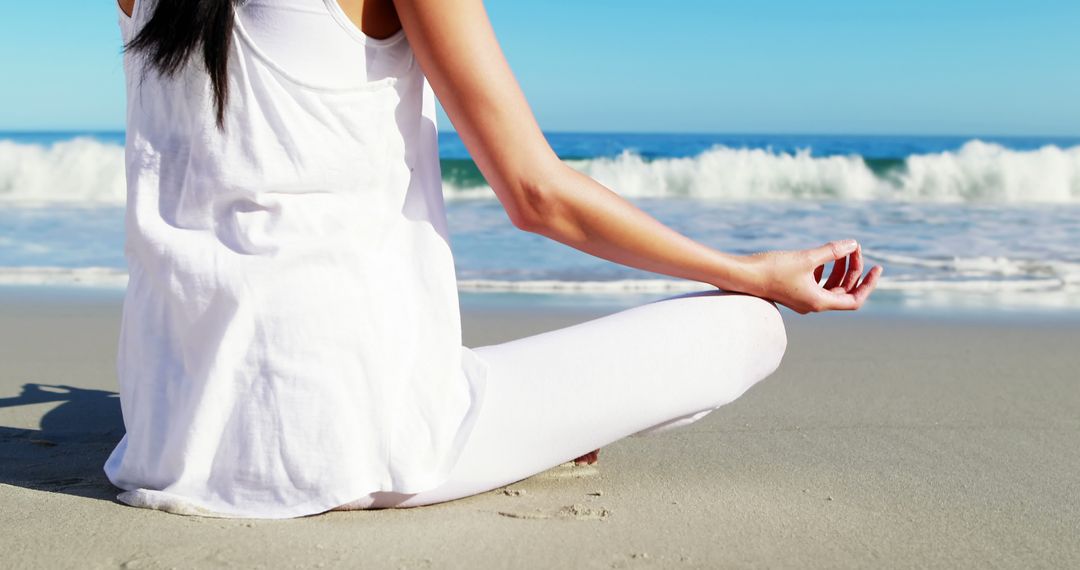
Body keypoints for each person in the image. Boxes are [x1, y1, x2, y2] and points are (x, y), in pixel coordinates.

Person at [106, 0, 882, 519]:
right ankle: (540, 433)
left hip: (169, 437)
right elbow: (537, 196)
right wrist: (751, 271)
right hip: (353, 441)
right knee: (749, 328)